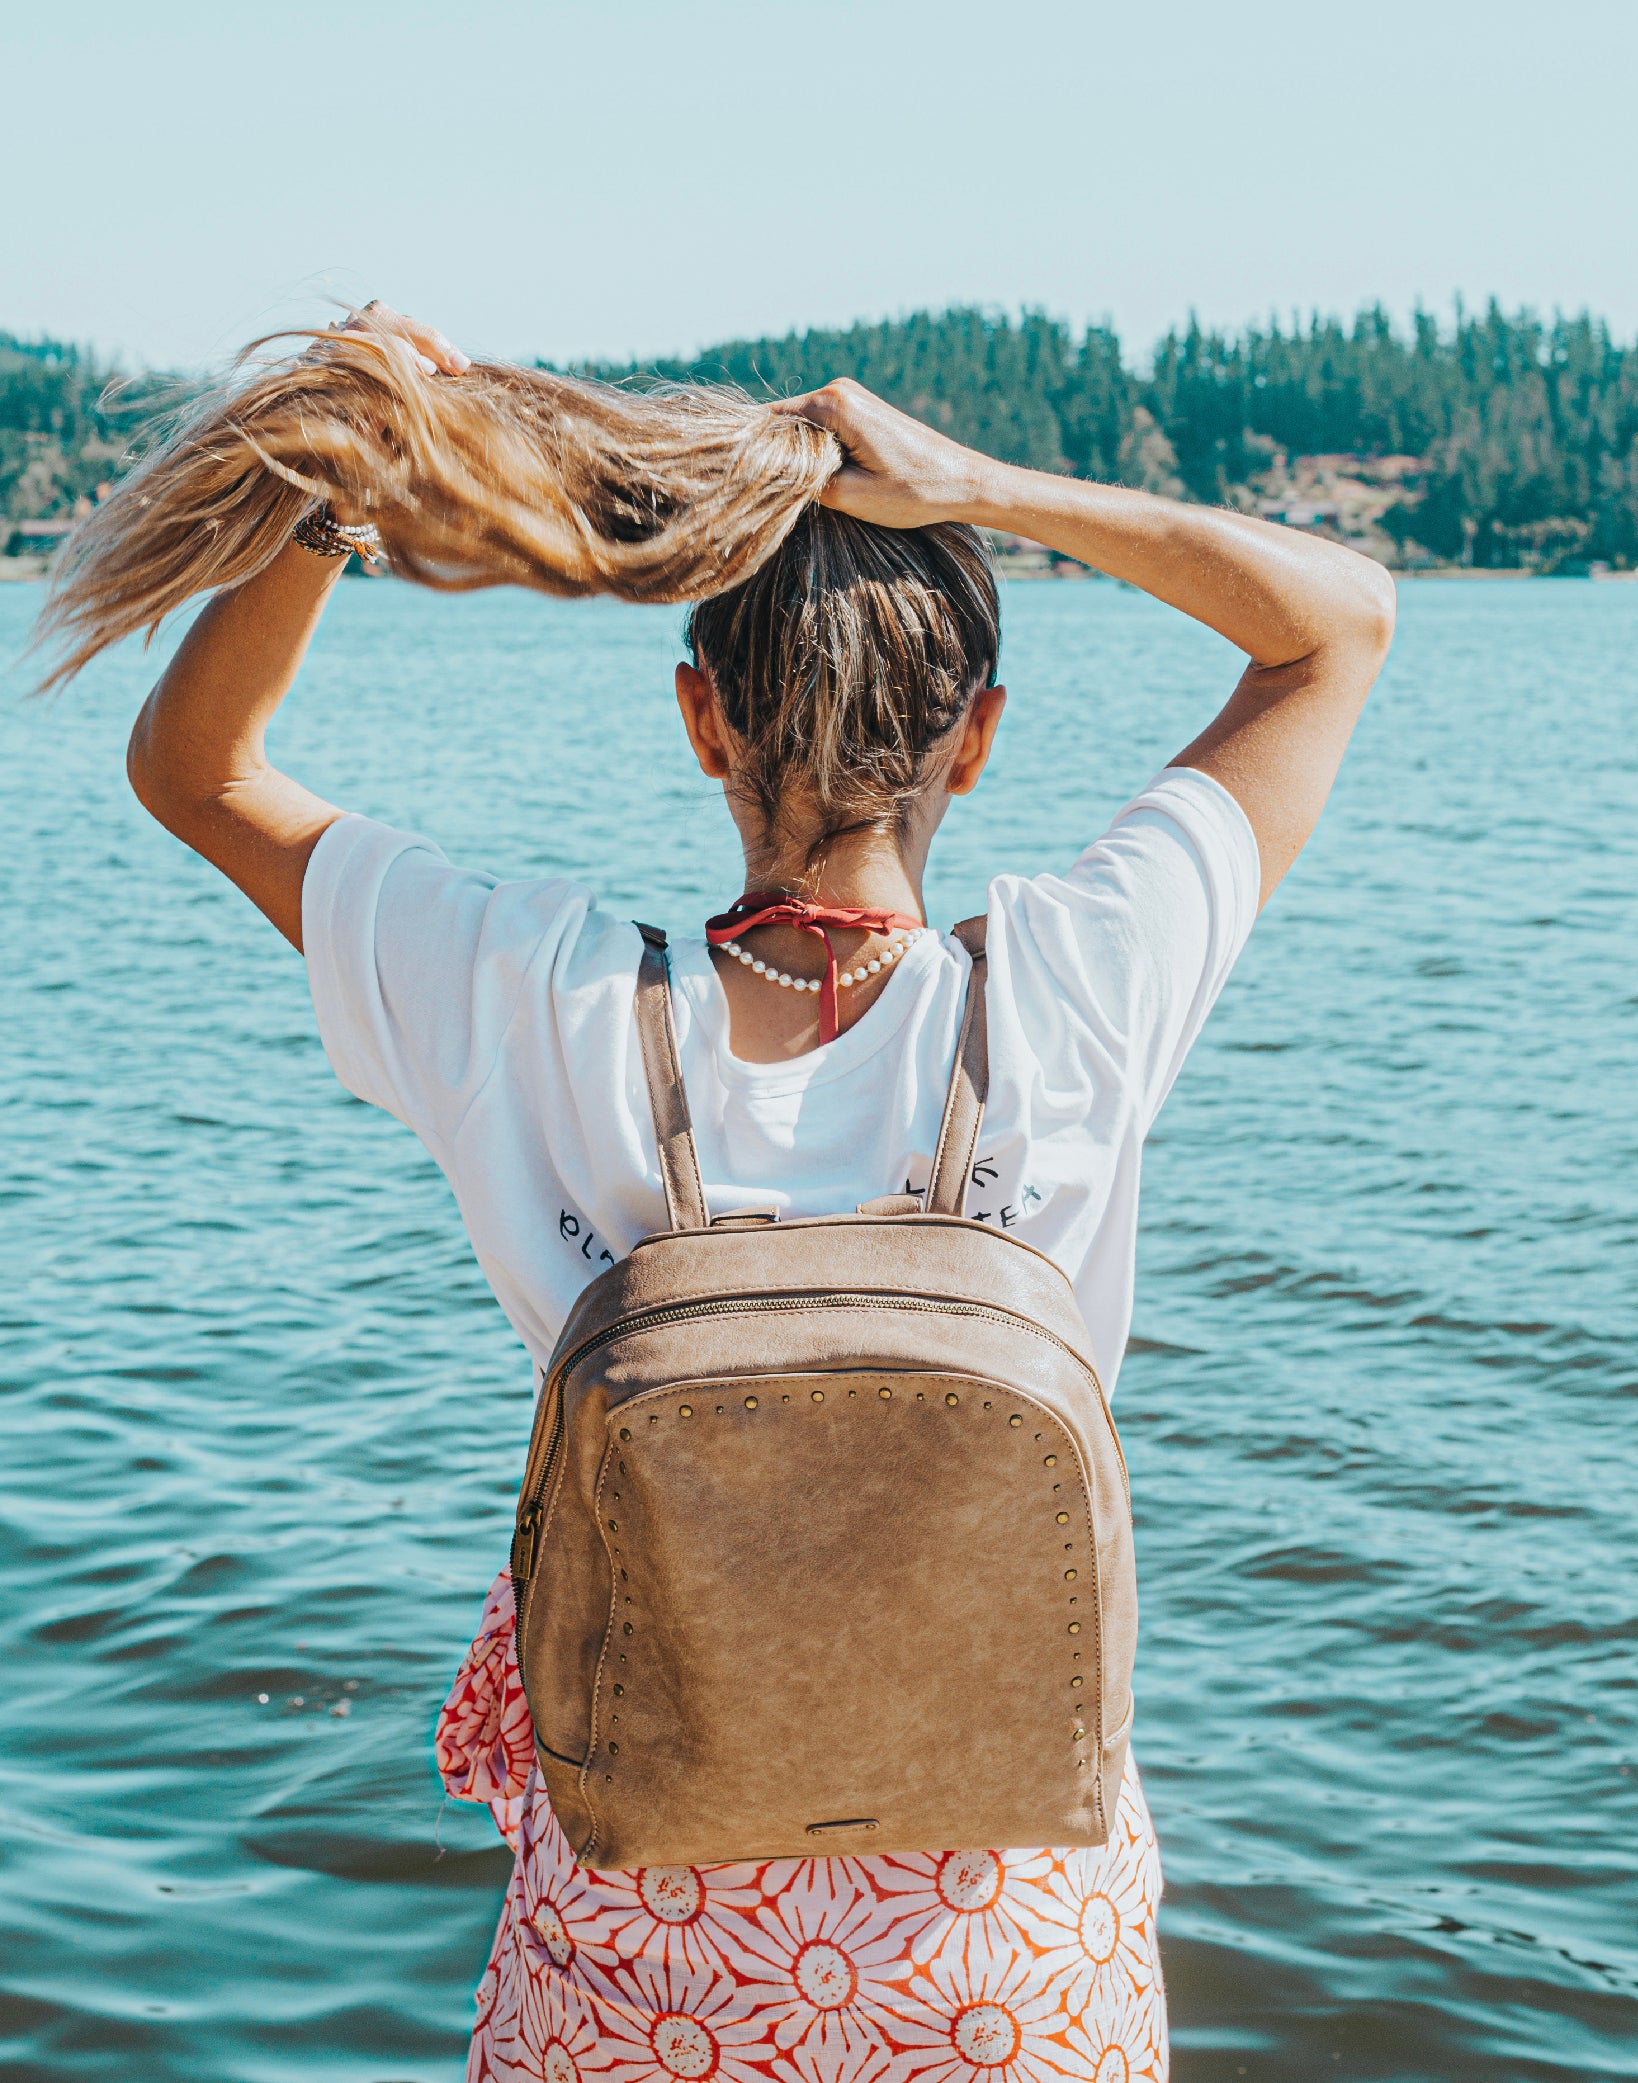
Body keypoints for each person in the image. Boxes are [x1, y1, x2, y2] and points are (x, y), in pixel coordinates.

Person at [121, 305, 1395, 2082]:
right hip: (1011, 1949)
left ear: (700, 720)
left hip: (648, 1946)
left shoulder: (535, 996)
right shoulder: (1075, 985)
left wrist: (343, 490)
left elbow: (200, 770)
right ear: (981, 735)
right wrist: (979, 484)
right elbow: (1335, 625)